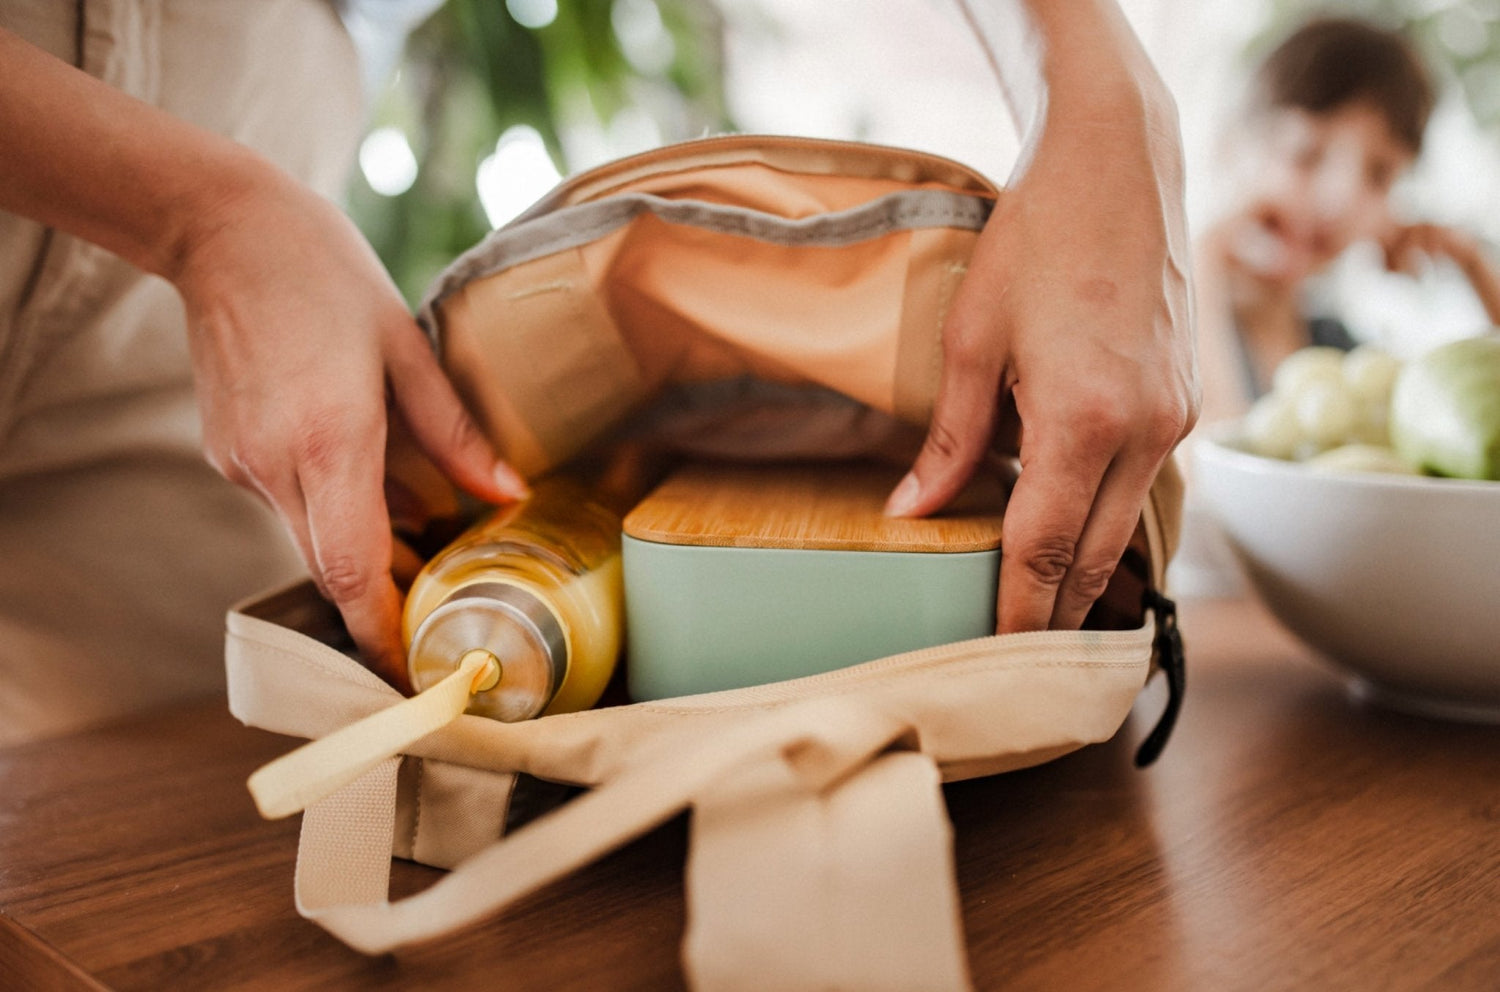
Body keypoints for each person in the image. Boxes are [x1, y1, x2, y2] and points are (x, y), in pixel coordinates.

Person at [0, 0, 1195, 743]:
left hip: (239, 110)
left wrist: (1102, 92)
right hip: (190, 191)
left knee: (143, 838)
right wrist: (198, 218)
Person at [1194, 15, 1500, 426]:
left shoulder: (1341, 358)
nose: (1341, 198)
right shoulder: (1159, 326)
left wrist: (1474, 266)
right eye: (1306, 153)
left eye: (1379, 174)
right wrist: (1204, 259)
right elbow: (1205, 464)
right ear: (1229, 148)